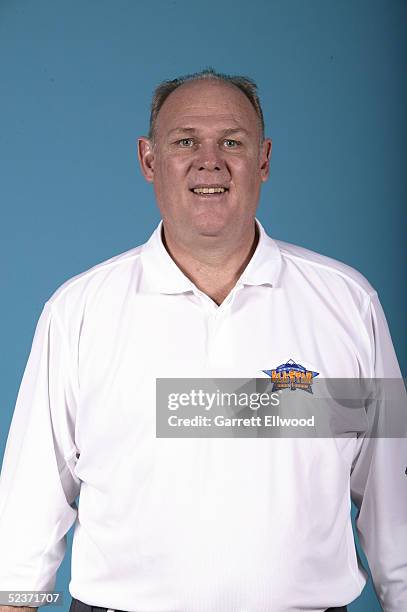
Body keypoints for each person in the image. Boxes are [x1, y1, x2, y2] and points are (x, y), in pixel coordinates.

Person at [0, 68, 405, 612]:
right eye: (185, 141)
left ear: (262, 159)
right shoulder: (77, 313)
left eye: (231, 142)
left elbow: (394, 511)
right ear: (149, 160)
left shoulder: (348, 305)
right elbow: (26, 515)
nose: (209, 160)